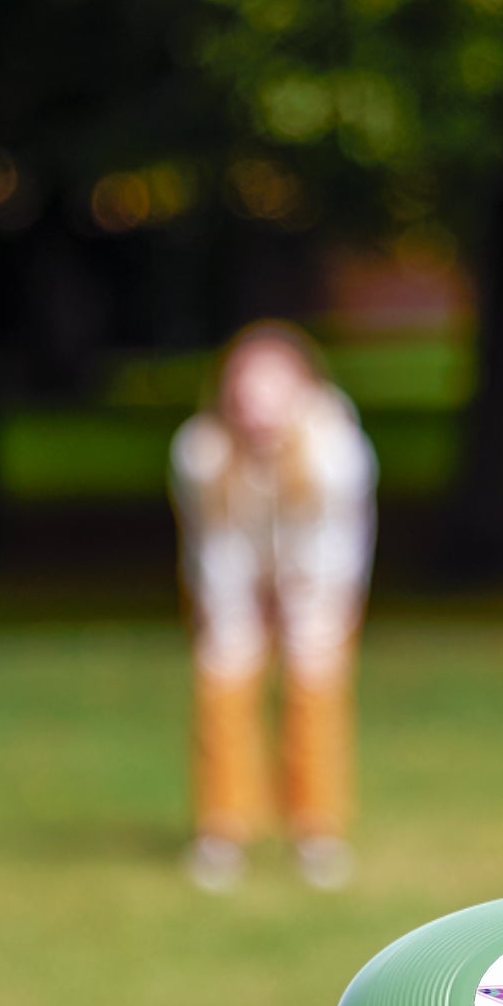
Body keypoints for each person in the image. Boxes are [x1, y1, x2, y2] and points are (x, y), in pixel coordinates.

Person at [170, 321, 377, 892]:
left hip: (318, 583)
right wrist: (235, 615)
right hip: (232, 581)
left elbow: (335, 546)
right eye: (246, 388)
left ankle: (317, 831)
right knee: (223, 682)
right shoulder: (201, 452)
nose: (257, 405)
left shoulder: (336, 450)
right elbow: (214, 546)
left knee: (315, 689)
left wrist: (303, 608)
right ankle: (223, 830)